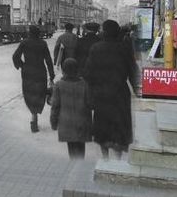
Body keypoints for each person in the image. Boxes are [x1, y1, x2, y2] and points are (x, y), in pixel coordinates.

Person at [83, 19, 140, 160]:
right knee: (119, 127)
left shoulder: (96, 48)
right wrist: (137, 89)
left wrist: (90, 92)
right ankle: (118, 158)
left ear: (105, 32)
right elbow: (133, 71)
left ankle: (105, 158)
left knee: (103, 126)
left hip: (101, 94)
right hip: (120, 93)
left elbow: (88, 74)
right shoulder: (124, 48)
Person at [12, 25, 55, 133]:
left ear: (29, 33)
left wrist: (22, 65)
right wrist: (52, 75)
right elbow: (48, 60)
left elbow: (15, 56)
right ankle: (34, 117)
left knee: (29, 93)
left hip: (28, 72)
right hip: (40, 72)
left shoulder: (24, 43)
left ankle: (33, 117)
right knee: (39, 94)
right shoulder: (42, 43)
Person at [50, 58, 92, 159]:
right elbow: (90, 104)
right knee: (81, 149)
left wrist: (53, 122)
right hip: (82, 123)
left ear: (63, 70)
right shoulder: (84, 84)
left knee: (72, 149)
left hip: (67, 124)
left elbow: (55, 106)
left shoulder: (59, 85)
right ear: (77, 70)